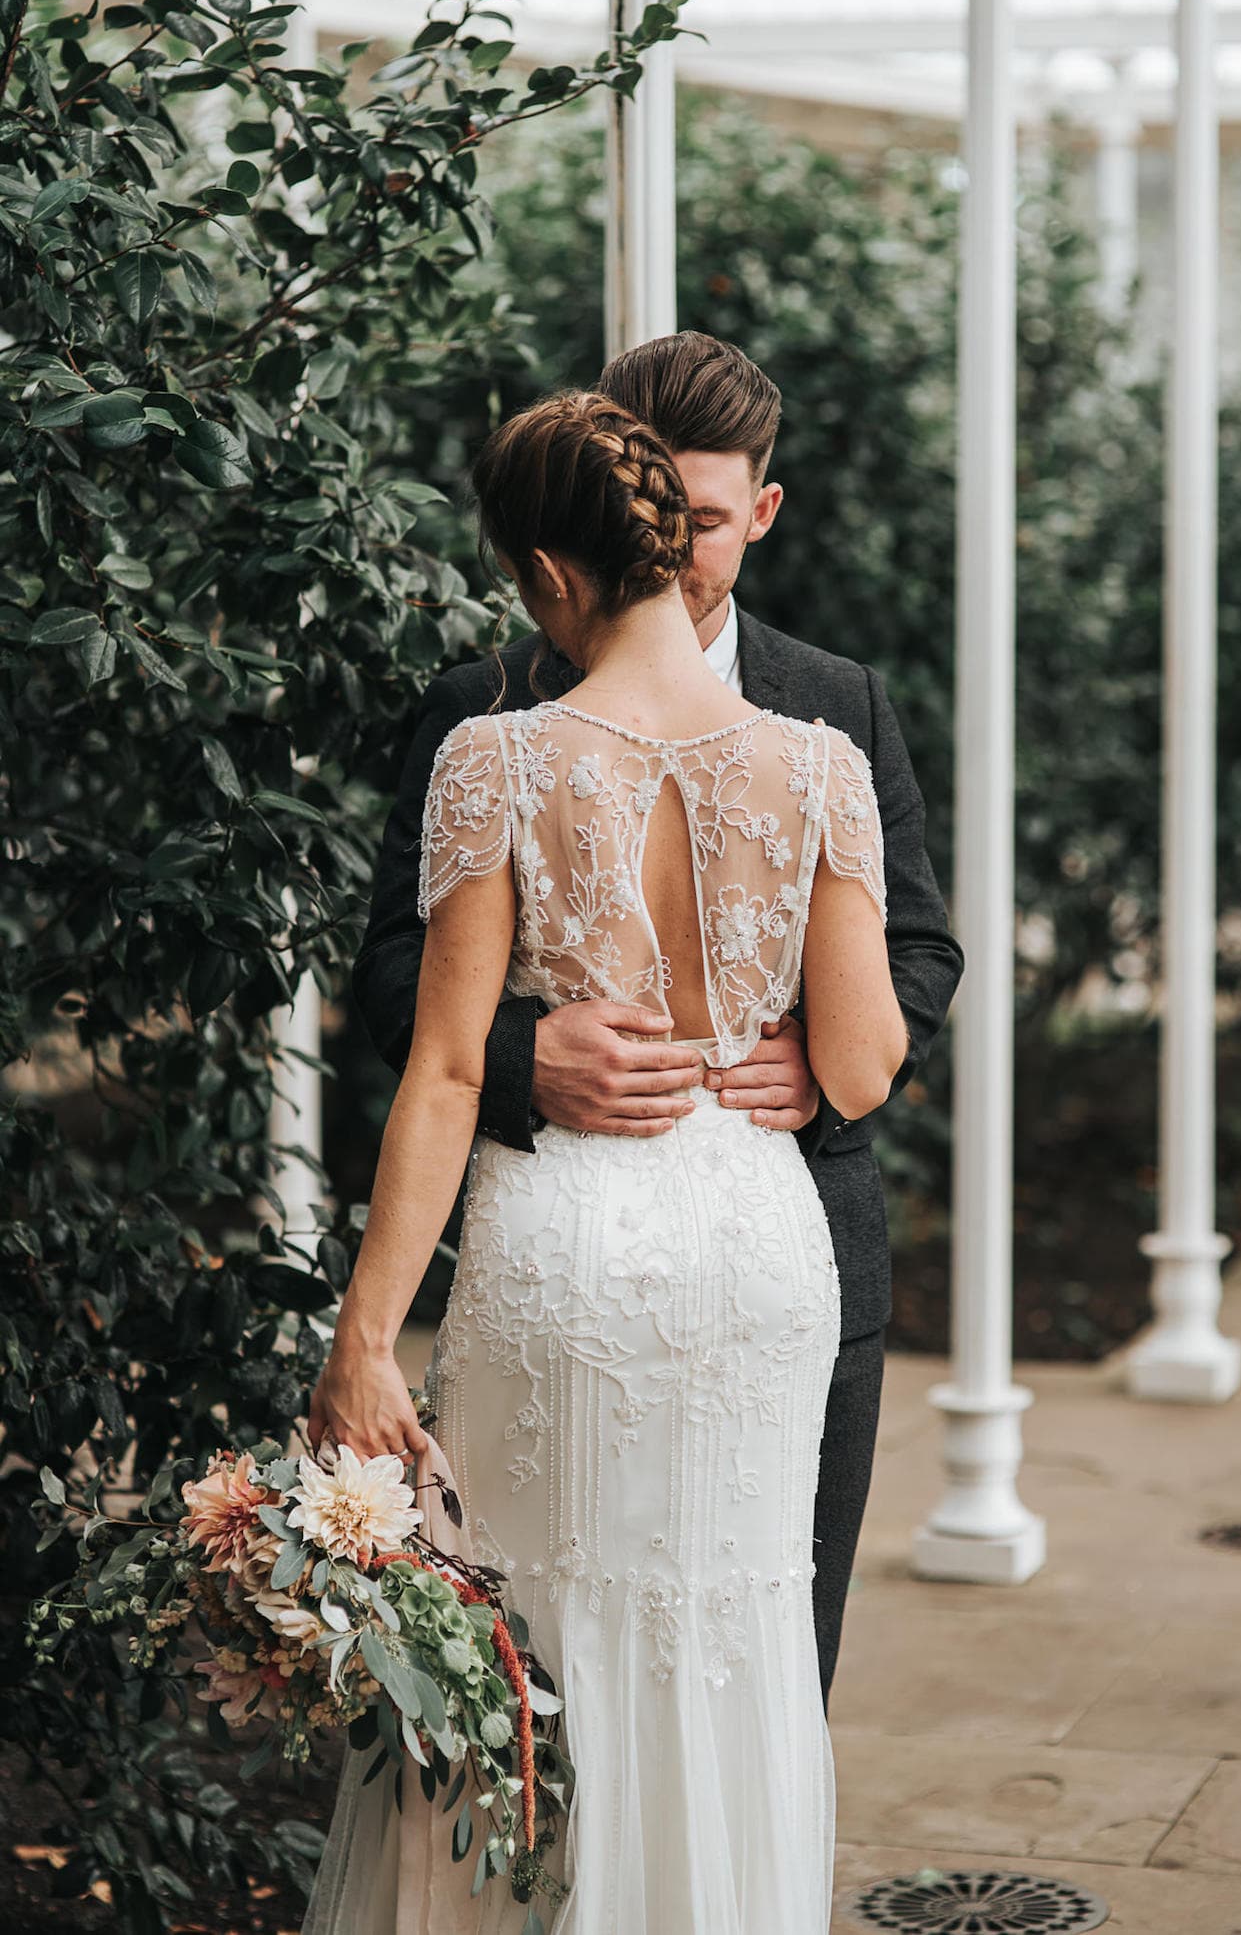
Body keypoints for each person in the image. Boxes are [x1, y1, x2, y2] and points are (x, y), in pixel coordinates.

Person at [301, 388, 912, 1933]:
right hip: (760, 1251)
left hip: (569, 1255)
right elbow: (862, 1061)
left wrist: (365, 1340)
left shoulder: (501, 759)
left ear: (552, 577)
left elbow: (443, 1071)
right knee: (732, 1650)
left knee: (534, 1636)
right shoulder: (822, 764)